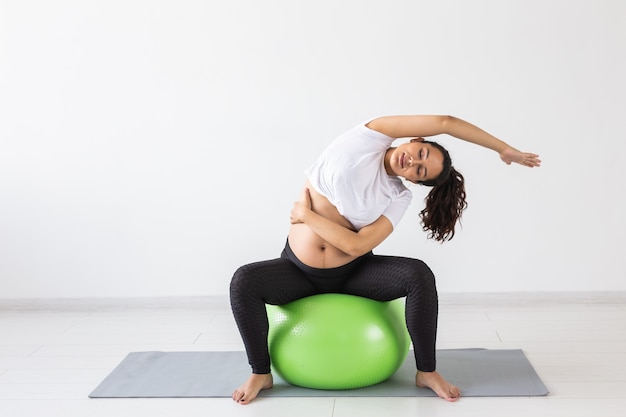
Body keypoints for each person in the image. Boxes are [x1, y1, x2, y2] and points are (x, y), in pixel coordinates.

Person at [230, 115, 541, 404]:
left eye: (420, 171)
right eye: (420, 153)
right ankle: (261, 373)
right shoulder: (368, 137)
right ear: (417, 138)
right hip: (297, 272)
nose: (413, 162)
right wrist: (504, 149)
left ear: (416, 182)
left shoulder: (398, 196)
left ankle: (427, 372)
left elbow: (357, 246)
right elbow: (446, 122)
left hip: (353, 274)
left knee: (418, 274)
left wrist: (306, 216)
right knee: (244, 280)